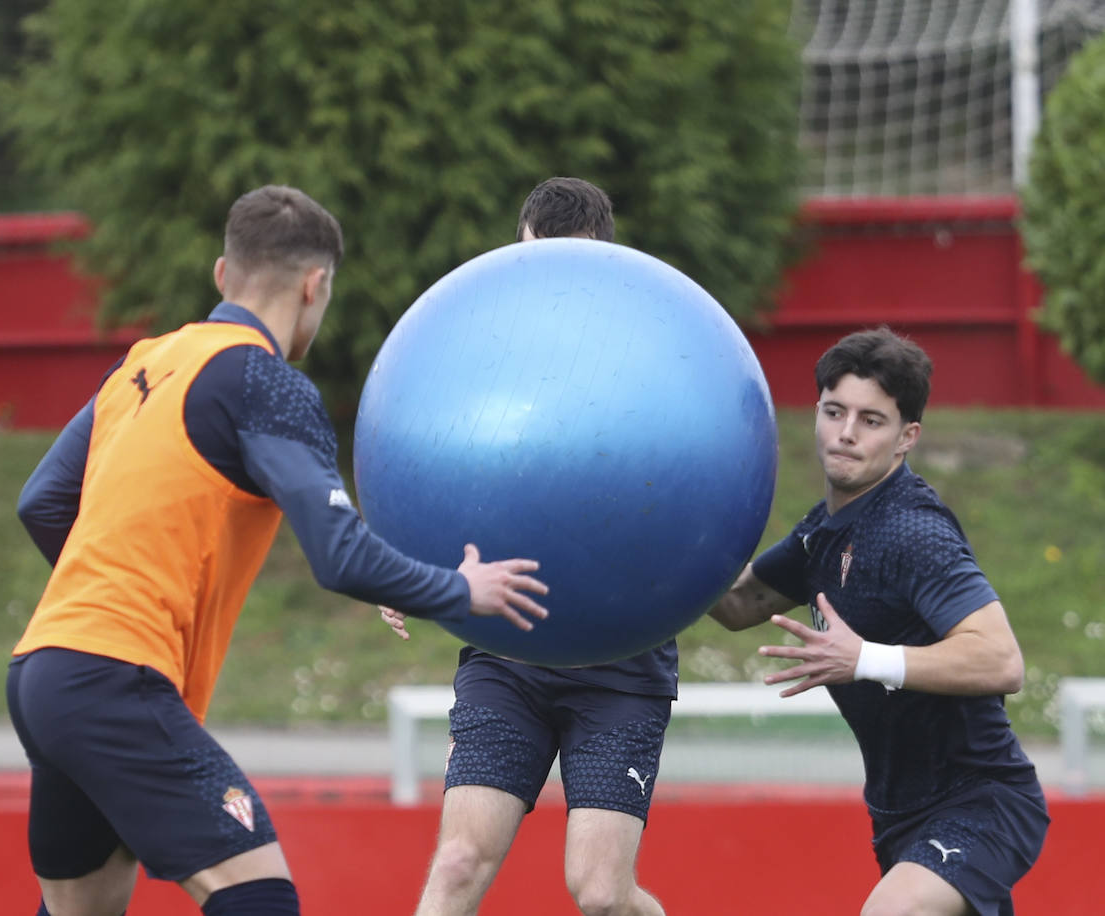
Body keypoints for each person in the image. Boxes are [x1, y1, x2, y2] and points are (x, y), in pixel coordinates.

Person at [7, 184, 550, 916]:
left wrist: (112, 586)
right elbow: (338, 554)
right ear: (315, 284)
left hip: (44, 672)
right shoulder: (265, 381)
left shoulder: (146, 364)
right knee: (259, 899)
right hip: (114, 679)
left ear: (222, 276)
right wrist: (462, 589)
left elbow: (40, 501)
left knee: (85, 908)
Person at [382, 177, 673, 916]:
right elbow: (444, 472)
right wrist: (408, 569)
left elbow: (687, 496)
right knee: (456, 863)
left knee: (602, 894)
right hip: (507, 657)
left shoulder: (653, 362)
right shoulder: (485, 357)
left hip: (620, 662)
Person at [707, 327, 1049, 915]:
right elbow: (738, 605)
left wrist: (864, 658)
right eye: (833, 411)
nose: (844, 433)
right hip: (900, 816)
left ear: (906, 437)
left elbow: (1001, 660)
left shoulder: (912, 531)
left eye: (871, 420)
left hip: (981, 803)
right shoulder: (823, 532)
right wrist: (665, 540)